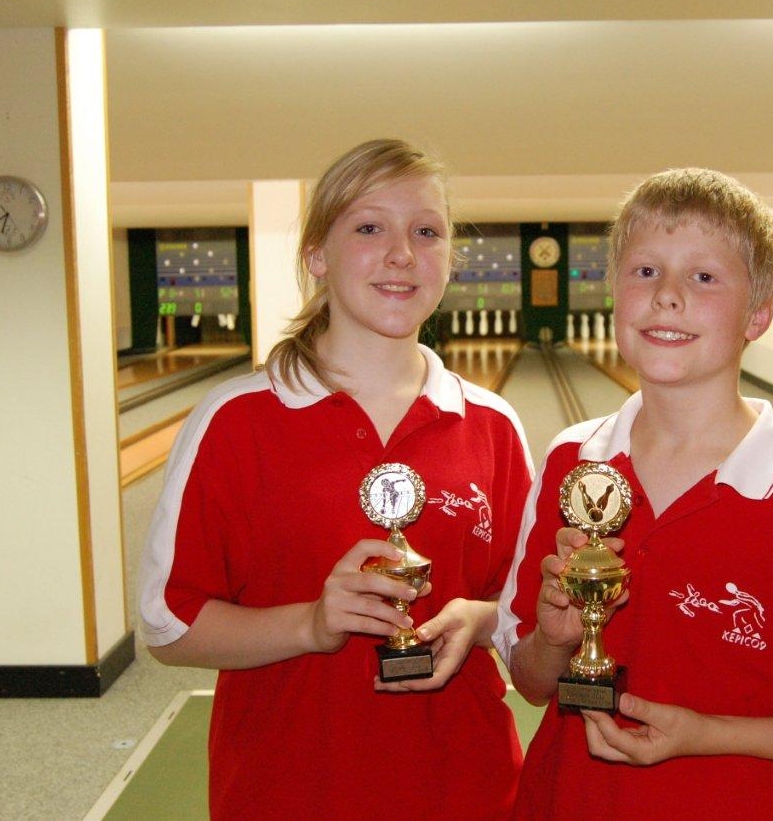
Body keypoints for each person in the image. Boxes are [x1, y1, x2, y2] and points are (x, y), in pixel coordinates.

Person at [494, 168, 773, 819]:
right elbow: (531, 683)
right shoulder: (570, 461)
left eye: (704, 277)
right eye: (645, 271)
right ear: (614, 292)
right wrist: (555, 639)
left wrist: (709, 735)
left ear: (757, 314)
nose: (667, 296)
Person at [139, 139, 533, 819]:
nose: (402, 253)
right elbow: (169, 624)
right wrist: (310, 624)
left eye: (427, 231)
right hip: (287, 790)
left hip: (466, 789)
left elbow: (522, 611)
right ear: (317, 254)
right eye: (370, 227)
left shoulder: (492, 424)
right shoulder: (236, 421)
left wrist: (483, 616)